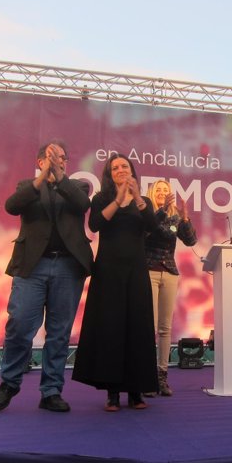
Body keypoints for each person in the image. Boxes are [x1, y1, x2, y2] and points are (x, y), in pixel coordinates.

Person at [0, 140, 93, 413]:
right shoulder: (27, 187)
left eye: (62, 157)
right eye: (51, 157)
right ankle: (9, 383)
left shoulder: (78, 186)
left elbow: (82, 204)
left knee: (59, 333)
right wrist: (42, 179)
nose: (58, 160)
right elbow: (12, 206)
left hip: (68, 267)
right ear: (39, 162)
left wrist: (59, 177)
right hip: (32, 267)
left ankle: (51, 391)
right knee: (20, 324)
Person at [72, 154, 158, 411]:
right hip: (108, 271)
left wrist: (137, 198)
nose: (121, 170)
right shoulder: (101, 199)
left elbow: (152, 226)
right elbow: (96, 224)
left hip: (136, 270)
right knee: (111, 328)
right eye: (115, 168)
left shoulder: (145, 201)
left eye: (125, 167)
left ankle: (136, 391)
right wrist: (118, 199)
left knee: (137, 327)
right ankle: (112, 392)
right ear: (109, 174)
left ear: (132, 171)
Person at [143, 179, 197, 396]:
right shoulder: (147, 213)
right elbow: (149, 232)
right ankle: (145, 376)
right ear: (152, 193)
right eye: (159, 190)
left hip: (170, 272)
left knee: (165, 327)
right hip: (148, 271)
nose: (163, 193)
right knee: (149, 325)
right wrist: (163, 211)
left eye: (166, 190)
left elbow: (191, 241)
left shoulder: (175, 217)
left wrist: (185, 217)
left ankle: (162, 375)